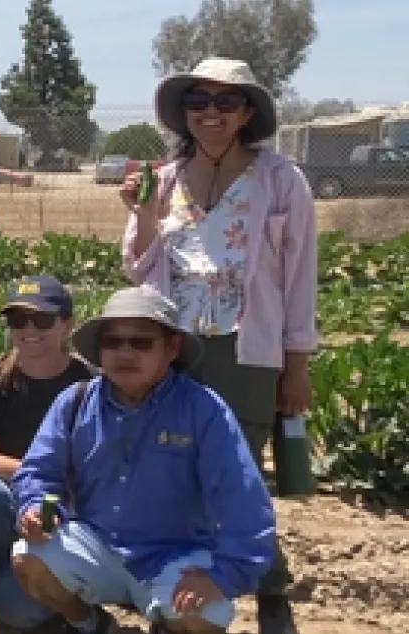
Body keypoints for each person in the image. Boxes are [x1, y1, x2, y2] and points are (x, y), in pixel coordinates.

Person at [117, 58, 316, 634]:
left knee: (239, 479)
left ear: (247, 113)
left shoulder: (282, 180)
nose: (210, 112)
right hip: (173, 348)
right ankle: (182, 595)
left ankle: (271, 588)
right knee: (176, 472)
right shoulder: (165, 177)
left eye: (225, 102)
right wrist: (144, 215)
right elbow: (137, 266)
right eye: (198, 101)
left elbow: (300, 278)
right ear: (184, 112)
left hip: (245, 349)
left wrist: (296, 365)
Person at [10, 285, 278, 634]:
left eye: (140, 342)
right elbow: (37, 471)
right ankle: (90, 625)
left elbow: (242, 500)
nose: (125, 353)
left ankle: (166, 624)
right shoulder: (75, 402)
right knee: (27, 557)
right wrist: (35, 507)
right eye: (113, 342)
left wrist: (222, 576)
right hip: (97, 543)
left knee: (205, 616)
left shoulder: (202, 410)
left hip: (176, 555)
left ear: (171, 348)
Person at [0, 275, 94, 633]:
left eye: (43, 320)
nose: (29, 329)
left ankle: (60, 602)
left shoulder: (89, 383)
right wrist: (40, 472)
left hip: (67, 499)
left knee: (28, 607)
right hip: (13, 491)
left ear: (67, 324)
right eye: (18, 320)